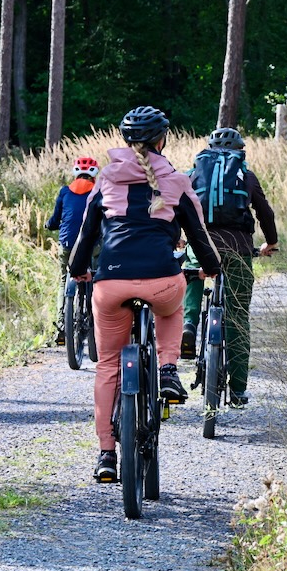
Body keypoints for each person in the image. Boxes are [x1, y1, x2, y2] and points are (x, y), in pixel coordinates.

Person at [69, 106, 221, 483]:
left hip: (111, 283)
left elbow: (86, 235)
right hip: (161, 280)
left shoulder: (105, 180)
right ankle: (168, 370)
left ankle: (106, 455)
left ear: (126, 141)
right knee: (172, 304)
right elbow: (198, 235)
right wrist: (212, 267)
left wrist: (79, 270)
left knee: (107, 368)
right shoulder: (176, 180)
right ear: (162, 140)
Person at [181, 127, 278, 407]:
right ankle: (237, 389)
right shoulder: (246, 176)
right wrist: (269, 243)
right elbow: (265, 213)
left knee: (192, 271)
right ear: (240, 152)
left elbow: (177, 206)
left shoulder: (193, 174)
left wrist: (178, 237)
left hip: (201, 244)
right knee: (237, 316)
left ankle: (189, 322)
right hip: (238, 249)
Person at [46, 156, 100, 345]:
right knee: (97, 278)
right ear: (94, 175)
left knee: (64, 280)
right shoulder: (98, 192)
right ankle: (97, 322)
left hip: (68, 245)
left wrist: (49, 224)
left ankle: (62, 326)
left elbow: (55, 219)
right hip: (92, 246)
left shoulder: (64, 192)